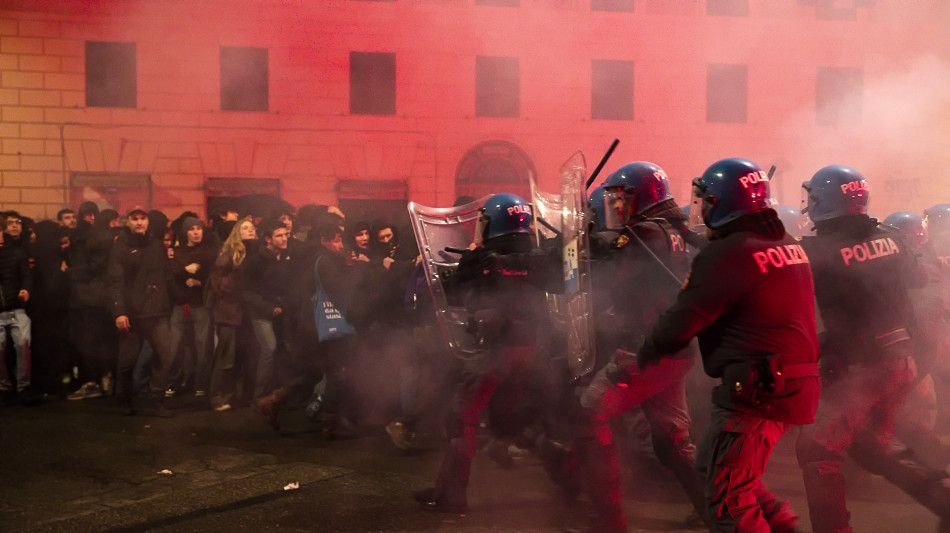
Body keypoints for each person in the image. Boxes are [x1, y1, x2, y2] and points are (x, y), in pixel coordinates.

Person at [636, 158, 820, 533]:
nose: (701, 207)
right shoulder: (784, 242)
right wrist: (689, 236)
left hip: (756, 390)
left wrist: (650, 348)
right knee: (716, 471)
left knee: (729, 502)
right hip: (793, 381)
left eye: (705, 199)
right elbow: (741, 257)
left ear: (720, 202)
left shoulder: (727, 255)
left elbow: (682, 322)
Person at [796, 166, 950, 533]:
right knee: (870, 447)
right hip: (903, 360)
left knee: (816, 451)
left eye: (814, 198)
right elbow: (918, 278)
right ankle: (944, 497)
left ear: (826, 202)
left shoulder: (816, 250)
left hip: (865, 366)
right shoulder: (891, 237)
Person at [575, 161, 711, 532]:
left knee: (591, 412)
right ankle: (716, 514)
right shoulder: (672, 229)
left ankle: (609, 522)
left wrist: (584, 246)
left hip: (648, 349)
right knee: (672, 440)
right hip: (674, 347)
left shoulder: (644, 233)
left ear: (637, 197)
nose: (614, 206)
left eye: (619, 198)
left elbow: (613, 282)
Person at [413, 193, 561, 515]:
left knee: (461, 420)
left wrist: (470, 255)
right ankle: (564, 469)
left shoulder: (480, 259)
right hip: (531, 350)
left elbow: (451, 292)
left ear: (491, 222)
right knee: (512, 416)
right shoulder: (539, 258)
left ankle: (452, 496)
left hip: (494, 349)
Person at [106, 206, 175, 417]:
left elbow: (165, 276)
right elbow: (114, 282)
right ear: (127, 222)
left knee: (165, 356)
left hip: (157, 311)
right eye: (134, 219)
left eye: (142, 219)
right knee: (127, 361)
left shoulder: (155, 246)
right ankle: (123, 400)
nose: (139, 222)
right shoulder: (120, 248)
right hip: (133, 313)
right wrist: (119, 311)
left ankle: (156, 401)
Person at [208, 219, 257, 411]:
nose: (250, 230)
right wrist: (234, 286)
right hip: (228, 311)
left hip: (243, 311)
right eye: (245, 228)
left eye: (252, 228)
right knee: (225, 356)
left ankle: (231, 395)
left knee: (239, 356)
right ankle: (217, 397)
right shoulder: (230, 253)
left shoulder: (252, 251)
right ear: (238, 232)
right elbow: (217, 280)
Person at [0, 216, 35, 406]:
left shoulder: (16, 251)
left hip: (16, 308)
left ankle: (24, 387)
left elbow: (26, 275)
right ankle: (4, 388)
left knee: (22, 345)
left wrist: (25, 290)